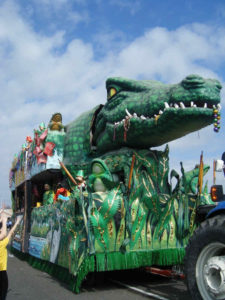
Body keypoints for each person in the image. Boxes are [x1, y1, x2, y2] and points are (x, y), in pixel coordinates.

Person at [0, 212, 22, 300]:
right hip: (1, 271)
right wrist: (5, 221)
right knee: (3, 291)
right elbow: (7, 233)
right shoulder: (2, 244)